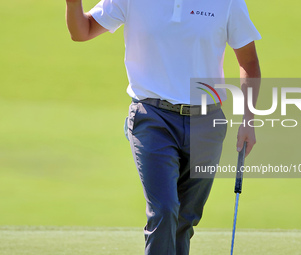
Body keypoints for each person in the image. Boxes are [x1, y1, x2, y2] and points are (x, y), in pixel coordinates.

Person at [66, 0, 261, 254]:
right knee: (164, 210)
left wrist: (248, 120)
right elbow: (82, 31)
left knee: (185, 218)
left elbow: (249, 61)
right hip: (152, 118)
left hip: (207, 124)